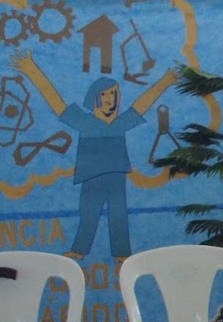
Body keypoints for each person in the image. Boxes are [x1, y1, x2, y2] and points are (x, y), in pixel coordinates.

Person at [10, 51, 180, 261]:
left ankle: (122, 253)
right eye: (105, 95)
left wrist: (165, 81)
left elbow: (142, 104)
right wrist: (31, 70)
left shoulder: (120, 123)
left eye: (115, 94)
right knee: (88, 214)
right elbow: (56, 102)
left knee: (119, 214)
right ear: (94, 98)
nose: (111, 99)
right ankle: (79, 250)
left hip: (116, 176)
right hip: (90, 176)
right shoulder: (85, 122)